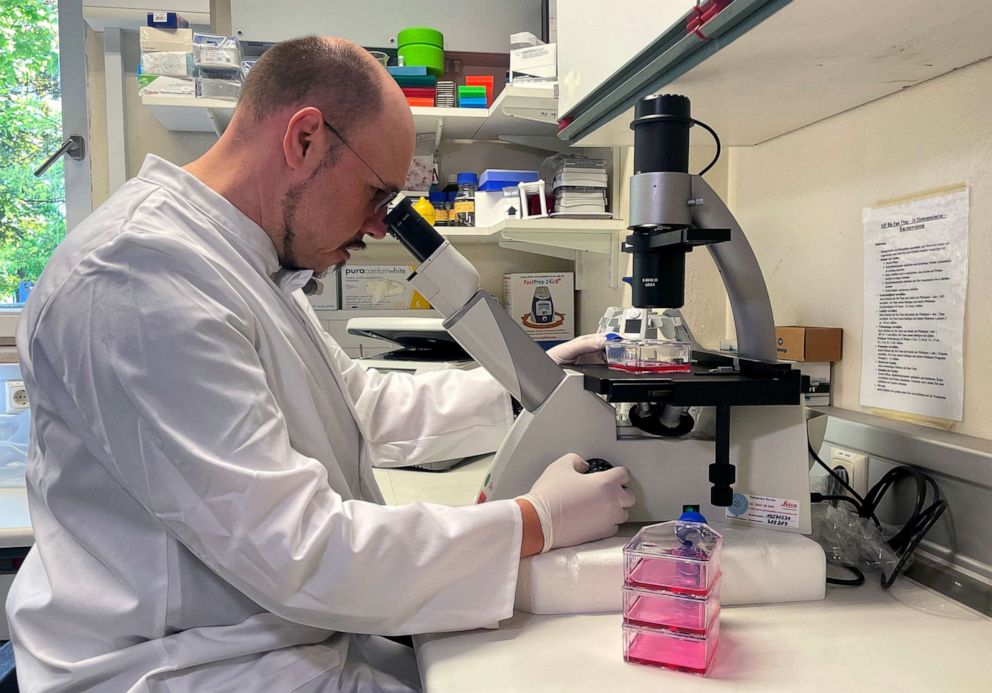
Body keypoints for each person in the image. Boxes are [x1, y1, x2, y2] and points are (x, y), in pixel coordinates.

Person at [7, 36, 634, 692]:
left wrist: (531, 382)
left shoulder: (246, 261)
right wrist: (535, 521)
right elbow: (297, 548)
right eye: (375, 194)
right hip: (185, 668)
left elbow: (360, 403)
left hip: (277, 639)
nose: (376, 226)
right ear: (304, 139)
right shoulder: (137, 275)